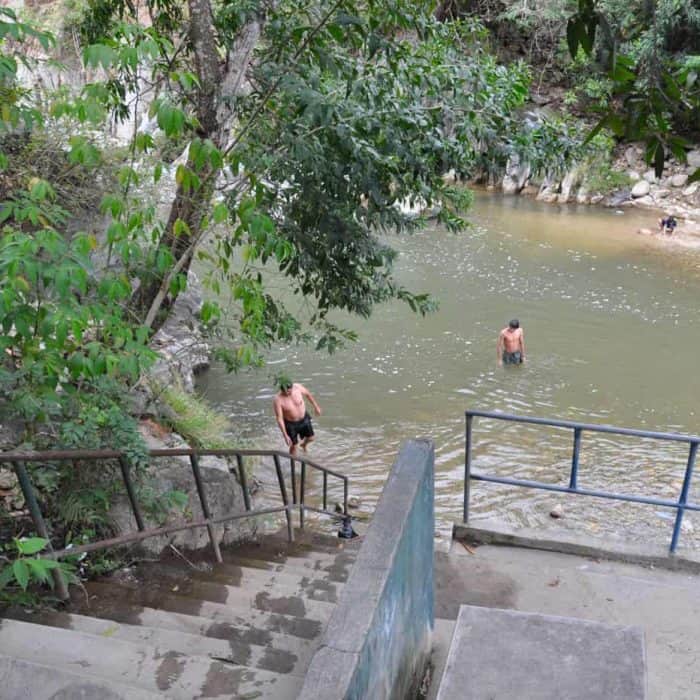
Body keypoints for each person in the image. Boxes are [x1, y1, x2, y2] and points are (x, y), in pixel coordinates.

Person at [273, 374, 322, 455]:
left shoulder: (298, 387)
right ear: (281, 389)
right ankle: (293, 463)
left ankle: (303, 445)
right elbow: (279, 418)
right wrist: (285, 435)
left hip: (304, 419)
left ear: (292, 387)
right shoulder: (277, 399)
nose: (286, 393)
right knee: (294, 446)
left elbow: (308, 394)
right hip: (290, 424)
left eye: (288, 391)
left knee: (311, 438)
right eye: (284, 391)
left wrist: (316, 406)